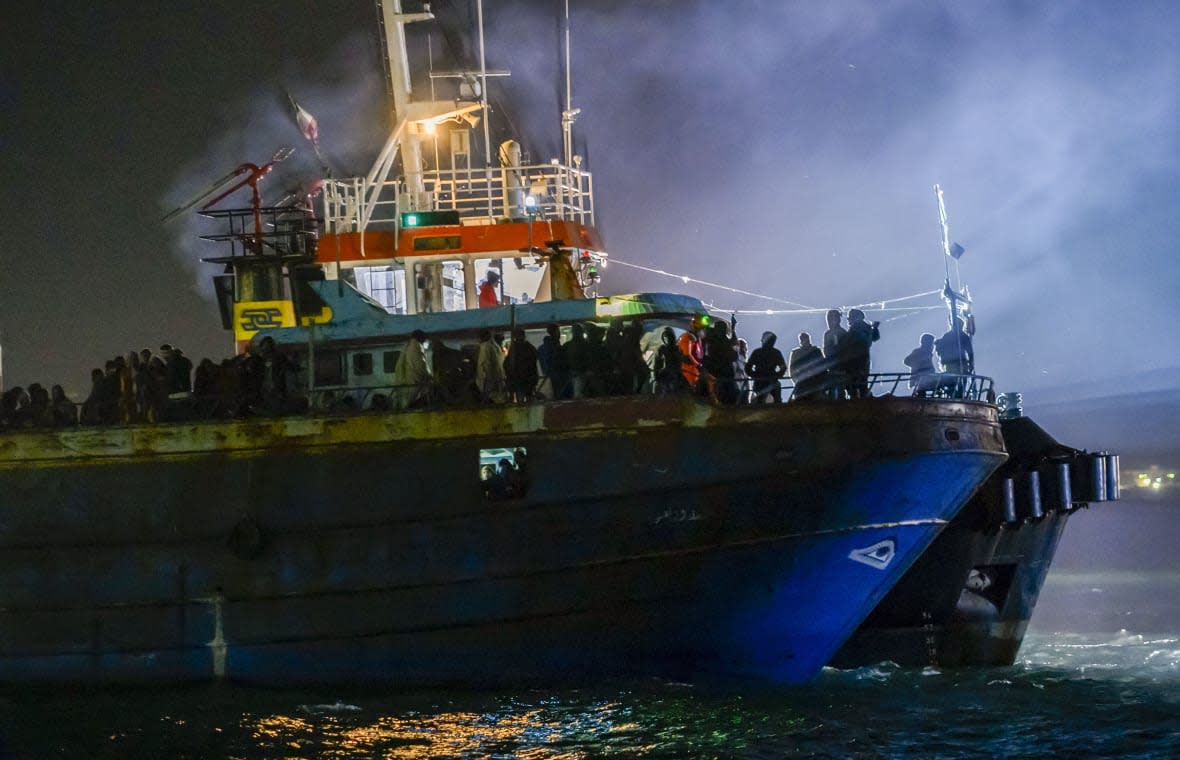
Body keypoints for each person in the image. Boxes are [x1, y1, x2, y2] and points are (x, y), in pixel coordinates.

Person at [844, 308, 880, 399]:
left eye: (850, 318)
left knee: (856, 382)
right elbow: (875, 337)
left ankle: (860, 400)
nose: (849, 320)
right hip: (861, 359)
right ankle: (862, 398)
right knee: (860, 382)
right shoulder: (865, 327)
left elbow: (871, 339)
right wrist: (874, 328)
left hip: (857, 360)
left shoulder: (857, 329)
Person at [393, 329, 433, 409]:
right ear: (421, 338)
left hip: (403, 384)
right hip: (413, 385)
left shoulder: (406, 346)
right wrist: (430, 376)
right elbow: (420, 366)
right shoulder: (416, 346)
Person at [747, 331, 787, 404]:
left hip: (766, 381)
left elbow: (783, 367)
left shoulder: (758, 352)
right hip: (764, 381)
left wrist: (755, 375)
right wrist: (776, 376)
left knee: (769, 402)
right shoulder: (775, 352)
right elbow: (748, 367)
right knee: (773, 402)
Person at [503, 328, 539, 402]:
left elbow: (506, 364)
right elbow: (534, 363)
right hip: (528, 379)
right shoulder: (529, 348)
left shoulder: (514, 349)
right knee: (529, 400)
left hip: (518, 379)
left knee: (521, 400)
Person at [537, 323, 571, 400]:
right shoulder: (557, 348)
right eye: (558, 331)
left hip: (546, 378)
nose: (559, 333)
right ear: (555, 332)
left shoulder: (541, 348)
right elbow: (561, 363)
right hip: (560, 378)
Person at [787, 332, 825, 400]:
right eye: (802, 339)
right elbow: (792, 368)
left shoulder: (816, 351)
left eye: (806, 339)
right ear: (800, 341)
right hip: (802, 382)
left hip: (815, 381)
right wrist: (795, 380)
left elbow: (822, 365)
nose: (804, 341)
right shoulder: (796, 353)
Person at [822, 309, 848, 399]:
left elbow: (842, 349)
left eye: (832, 318)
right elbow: (826, 349)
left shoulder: (841, 332)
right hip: (832, 366)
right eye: (829, 319)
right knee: (834, 390)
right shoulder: (828, 333)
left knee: (838, 390)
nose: (830, 321)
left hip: (840, 366)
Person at [653, 327, 688, 394]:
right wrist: (656, 375)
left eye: (669, 335)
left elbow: (684, 361)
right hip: (665, 377)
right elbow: (657, 364)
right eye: (665, 336)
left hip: (677, 377)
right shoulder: (661, 349)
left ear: (673, 336)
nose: (667, 338)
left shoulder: (678, 348)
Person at [475, 329, 506, 402]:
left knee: (490, 399)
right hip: (499, 377)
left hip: (489, 379)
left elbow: (482, 364)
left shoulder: (485, 347)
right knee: (499, 398)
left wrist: (482, 379)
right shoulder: (496, 346)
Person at [677, 316, 707, 393]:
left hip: (696, 371)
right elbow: (688, 355)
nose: (703, 330)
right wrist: (698, 365)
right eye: (702, 328)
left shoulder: (698, 339)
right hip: (689, 372)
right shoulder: (687, 338)